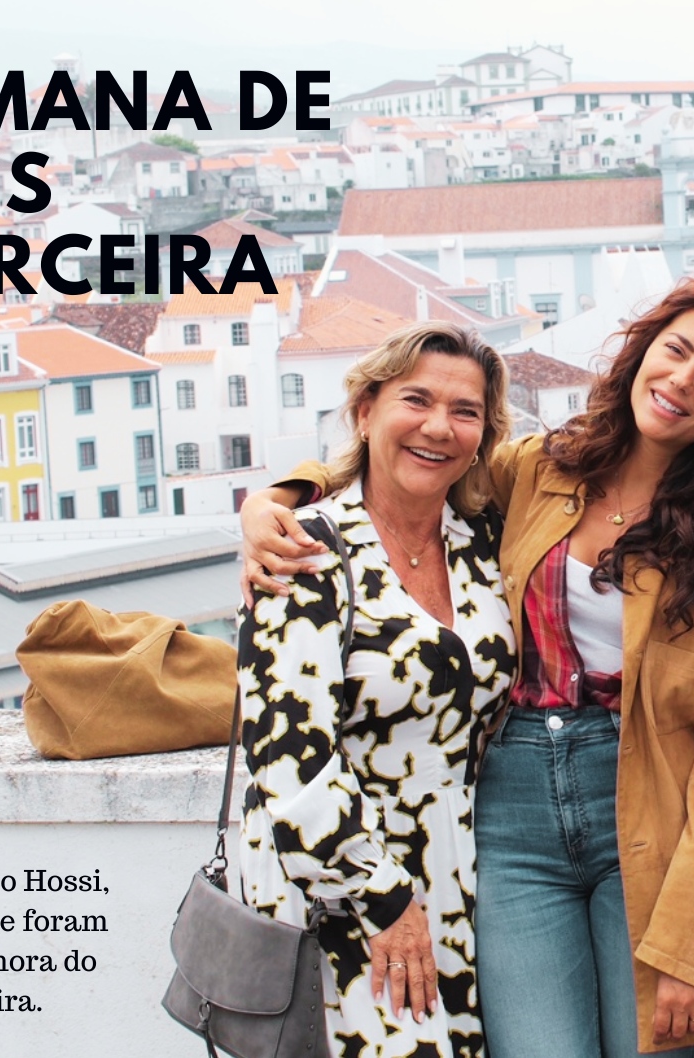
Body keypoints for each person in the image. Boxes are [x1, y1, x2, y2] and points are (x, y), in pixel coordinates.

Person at [243, 279, 694, 1056]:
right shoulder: (540, 470)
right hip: (509, 814)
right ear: (641, 353)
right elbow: (417, 461)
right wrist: (277, 496)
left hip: (644, 815)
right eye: (676, 351)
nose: (681, 381)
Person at [238, 322, 515, 1058]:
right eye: (415, 400)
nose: (438, 427)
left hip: (456, 880)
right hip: (343, 891)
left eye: (465, 411)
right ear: (365, 410)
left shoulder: (482, 543)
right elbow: (288, 764)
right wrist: (387, 900)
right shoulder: (306, 549)